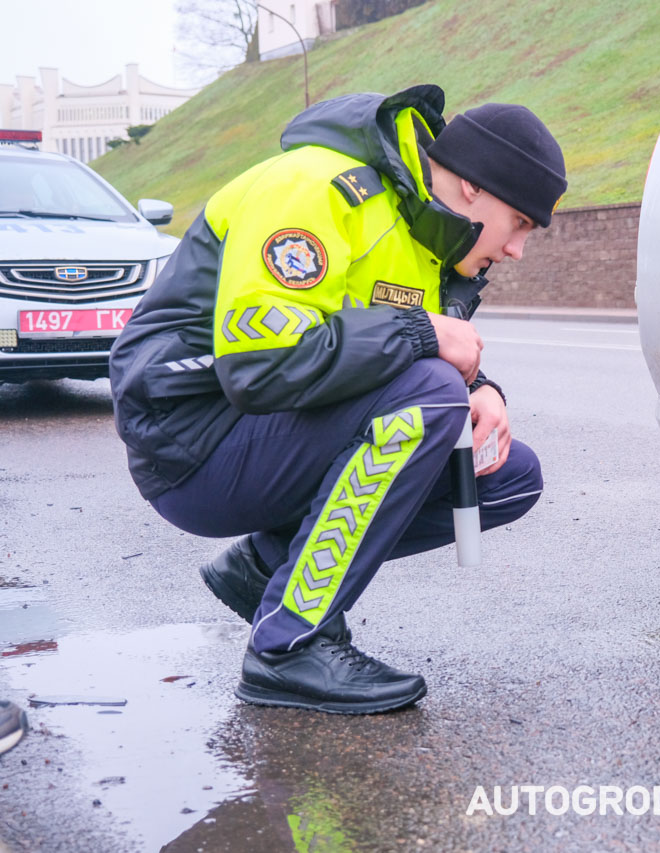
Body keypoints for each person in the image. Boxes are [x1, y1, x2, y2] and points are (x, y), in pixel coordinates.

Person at [109, 84, 566, 714]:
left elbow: (390, 354)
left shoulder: (423, 232)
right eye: (520, 223)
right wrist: (426, 338)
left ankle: (263, 569)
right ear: (472, 187)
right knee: (431, 398)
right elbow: (260, 366)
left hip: (265, 432)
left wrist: (480, 388)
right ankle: (288, 648)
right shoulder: (315, 187)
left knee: (505, 473)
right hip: (193, 443)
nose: (516, 249)